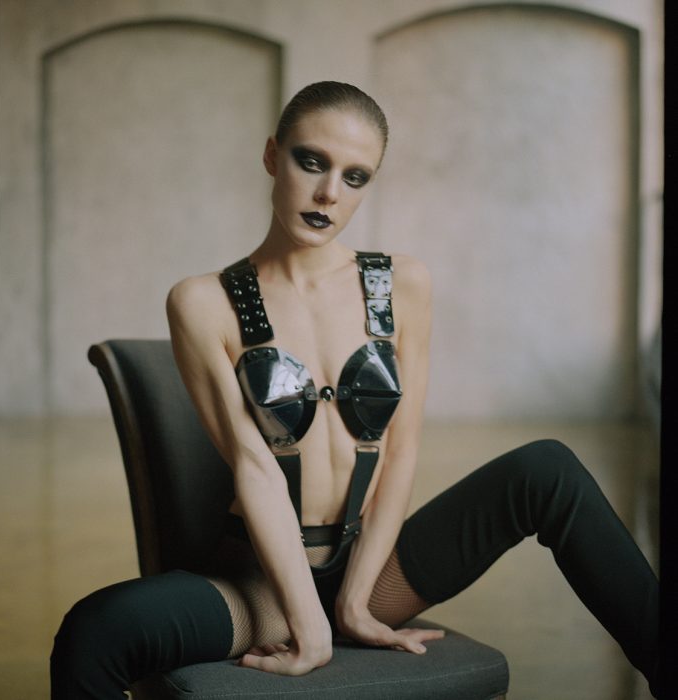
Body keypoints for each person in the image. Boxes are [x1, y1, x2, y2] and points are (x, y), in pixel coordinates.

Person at [50, 81, 660, 698]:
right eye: (311, 161)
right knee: (94, 632)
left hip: (377, 571)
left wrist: (356, 601)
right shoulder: (203, 302)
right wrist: (309, 625)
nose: (329, 194)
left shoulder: (402, 284)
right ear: (272, 156)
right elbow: (256, 468)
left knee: (547, 470)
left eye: (355, 176)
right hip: (264, 587)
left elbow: (399, 451)